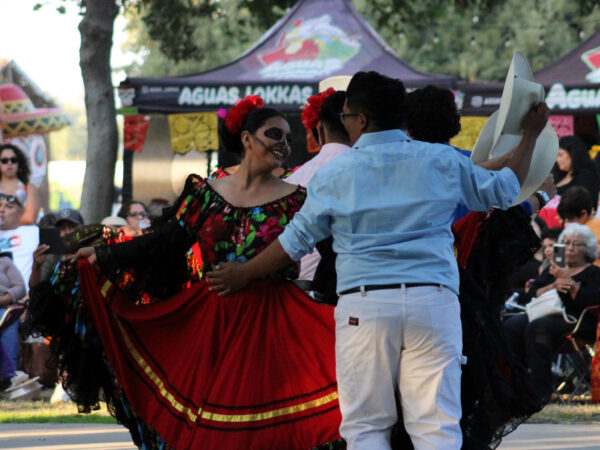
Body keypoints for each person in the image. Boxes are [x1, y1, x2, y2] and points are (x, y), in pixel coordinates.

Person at [207, 71, 550, 449]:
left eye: (348, 117)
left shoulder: (337, 172)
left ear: (361, 120)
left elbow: (297, 241)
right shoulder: (440, 159)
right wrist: (530, 135)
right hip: (432, 303)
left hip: (364, 307)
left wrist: (244, 273)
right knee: (436, 427)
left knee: (366, 428)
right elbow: (507, 188)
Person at [27, 95, 342, 449]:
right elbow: (163, 244)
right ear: (247, 139)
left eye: (288, 138)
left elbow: (334, 254)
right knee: (209, 426)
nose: (284, 145)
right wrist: (102, 255)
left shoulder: (298, 199)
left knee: (272, 428)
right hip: (212, 322)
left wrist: (327, 304)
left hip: (275, 322)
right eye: (274, 135)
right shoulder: (205, 194)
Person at [504, 223, 600, 402]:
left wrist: (572, 284)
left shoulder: (593, 273)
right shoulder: (552, 269)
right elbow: (530, 295)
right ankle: (513, 386)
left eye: (576, 244)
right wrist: (554, 284)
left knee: (538, 328)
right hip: (544, 314)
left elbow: (592, 302)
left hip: (578, 321)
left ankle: (540, 392)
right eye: (566, 242)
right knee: (512, 325)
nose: (570, 247)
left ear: (587, 249)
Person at [287, 88, 351, 284]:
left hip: (302, 285)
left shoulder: (292, 180)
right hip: (352, 286)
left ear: (320, 130)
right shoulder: (374, 171)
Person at [0, 192, 38, 371]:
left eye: (8, 207)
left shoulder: (32, 233)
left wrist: (31, 296)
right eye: (0, 206)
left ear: (22, 212)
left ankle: (9, 375)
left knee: (8, 319)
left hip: (19, 299)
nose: (2, 210)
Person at [29, 208, 84, 289]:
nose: (67, 232)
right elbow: (35, 288)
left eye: (72, 227)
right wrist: (36, 267)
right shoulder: (53, 255)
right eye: (62, 228)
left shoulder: (90, 250)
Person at [0, 144, 40, 225]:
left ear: (19, 163)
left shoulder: (29, 188)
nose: (9, 163)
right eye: (4, 160)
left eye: (13, 160)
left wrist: (6, 225)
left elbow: (30, 217)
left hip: (23, 234)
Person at [556, 186, 600, 260]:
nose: (567, 222)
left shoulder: (597, 226)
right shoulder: (569, 228)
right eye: (565, 219)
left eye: (570, 219)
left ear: (583, 214)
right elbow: (559, 256)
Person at [554, 135, 599, 205]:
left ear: (573, 155)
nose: (557, 160)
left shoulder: (586, 177)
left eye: (560, 155)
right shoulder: (559, 174)